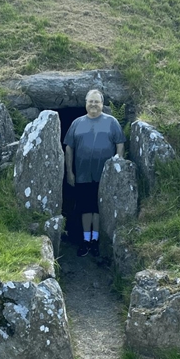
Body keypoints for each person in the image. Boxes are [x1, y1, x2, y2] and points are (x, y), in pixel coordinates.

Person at [64, 89, 125, 257]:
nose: (93, 104)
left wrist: (117, 170)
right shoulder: (77, 123)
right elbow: (69, 148)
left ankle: (95, 240)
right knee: (85, 208)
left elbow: (120, 144)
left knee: (98, 208)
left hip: (105, 177)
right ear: (85, 103)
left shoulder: (112, 122)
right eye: (90, 101)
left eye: (96, 101)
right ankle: (86, 240)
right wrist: (69, 172)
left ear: (102, 104)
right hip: (83, 174)